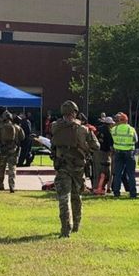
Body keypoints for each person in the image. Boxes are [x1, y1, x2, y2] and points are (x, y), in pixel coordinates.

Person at [51, 101, 99, 237]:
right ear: (75, 112)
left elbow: (54, 140)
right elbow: (96, 146)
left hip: (62, 166)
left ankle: (65, 228)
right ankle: (76, 225)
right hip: (78, 167)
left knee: (63, 198)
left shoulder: (55, 126)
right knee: (76, 196)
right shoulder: (83, 129)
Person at [0, 111, 25, 192]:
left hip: (2, 150)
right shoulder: (16, 127)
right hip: (13, 150)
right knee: (12, 168)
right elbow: (22, 137)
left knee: (1, 167)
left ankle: (1, 184)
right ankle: (12, 186)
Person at [111, 112, 138, 198]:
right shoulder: (131, 129)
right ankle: (133, 193)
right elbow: (136, 140)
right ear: (126, 120)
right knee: (131, 174)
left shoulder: (114, 129)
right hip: (129, 152)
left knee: (118, 173)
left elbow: (112, 139)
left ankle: (116, 192)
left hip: (118, 152)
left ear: (119, 120)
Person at [93, 116, 115, 192]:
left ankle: (95, 188)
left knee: (96, 171)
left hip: (96, 152)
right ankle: (101, 188)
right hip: (104, 153)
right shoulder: (108, 131)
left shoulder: (97, 129)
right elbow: (111, 145)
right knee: (105, 171)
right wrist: (113, 153)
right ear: (109, 124)